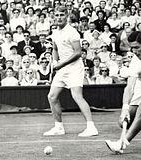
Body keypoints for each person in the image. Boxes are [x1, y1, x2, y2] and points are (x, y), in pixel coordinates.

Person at [43, 6, 98, 137]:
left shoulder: (72, 32)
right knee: (52, 96)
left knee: (77, 96)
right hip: (62, 69)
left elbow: (78, 53)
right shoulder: (55, 32)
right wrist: (56, 62)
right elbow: (55, 49)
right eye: (56, 15)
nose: (59, 18)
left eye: (61, 15)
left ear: (67, 16)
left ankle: (91, 127)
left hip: (74, 68)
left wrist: (61, 64)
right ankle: (59, 127)